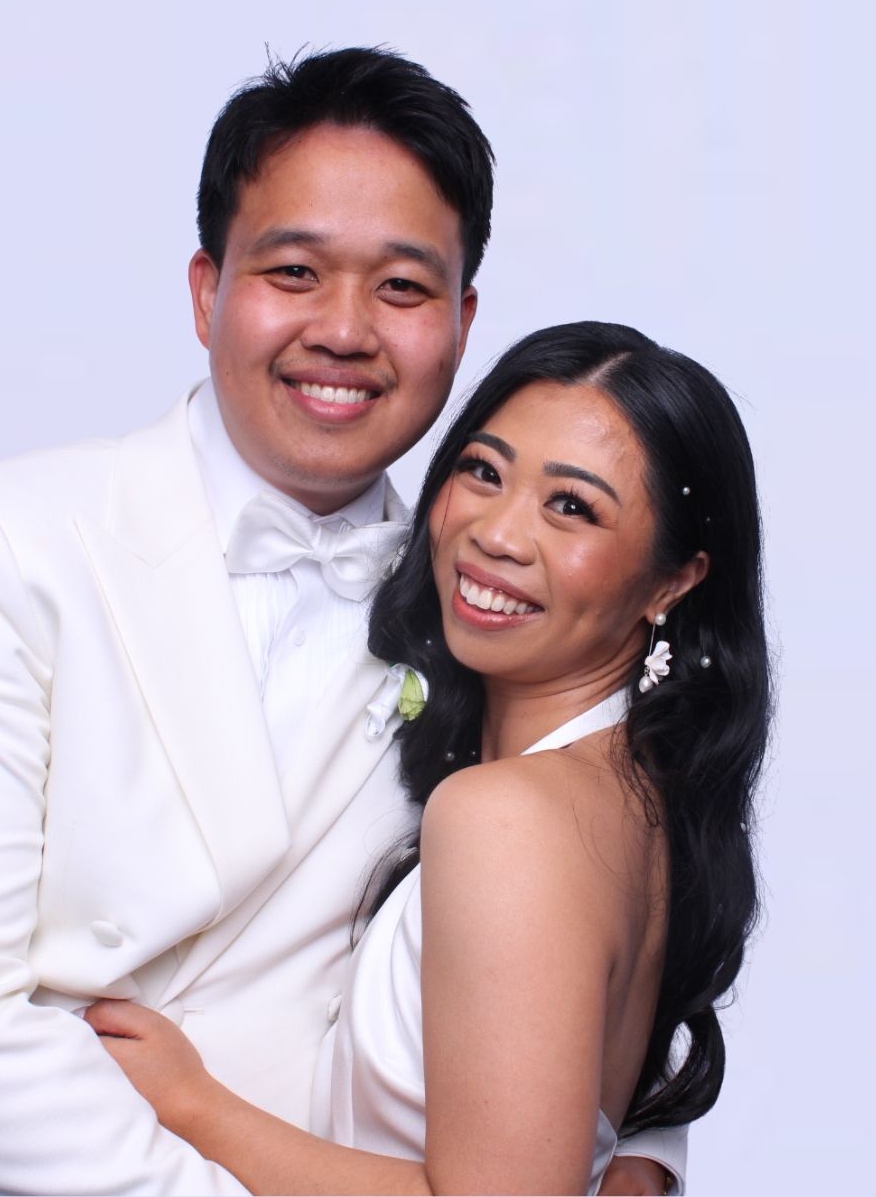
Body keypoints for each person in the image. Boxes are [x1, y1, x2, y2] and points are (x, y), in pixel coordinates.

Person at [0, 50, 681, 1194]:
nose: (344, 329)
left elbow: (601, 887)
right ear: (206, 290)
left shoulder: (495, 599)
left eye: (402, 288)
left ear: (462, 321)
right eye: (294, 272)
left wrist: (637, 1154)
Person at [83, 321, 770, 1195]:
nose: (498, 534)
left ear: (674, 580)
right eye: (483, 471)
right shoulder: (638, 792)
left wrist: (194, 1106)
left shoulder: (508, 816)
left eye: (572, 508)